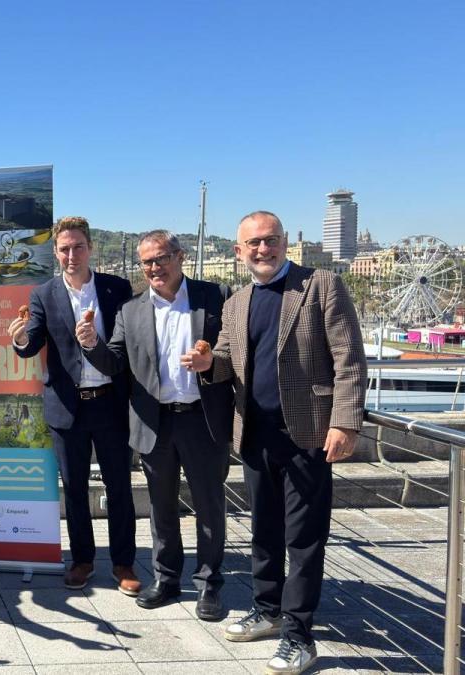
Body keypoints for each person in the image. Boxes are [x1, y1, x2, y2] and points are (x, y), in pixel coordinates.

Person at [187, 211, 366, 674]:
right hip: (255, 434)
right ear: (238, 251)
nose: (262, 249)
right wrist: (207, 364)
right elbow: (226, 360)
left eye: (270, 240)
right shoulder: (236, 302)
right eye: (253, 243)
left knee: (304, 539)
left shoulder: (320, 285)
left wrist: (345, 422)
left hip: (308, 435)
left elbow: (349, 359)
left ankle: (298, 636)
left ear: (285, 242)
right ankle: (267, 610)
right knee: (263, 532)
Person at [79, 230, 233, 620]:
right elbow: (114, 362)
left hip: (202, 419)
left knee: (209, 506)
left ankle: (209, 585)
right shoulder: (130, 310)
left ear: (180, 256)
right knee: (161, 507)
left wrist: (212, 362)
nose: (154, 267)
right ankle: (166, 579)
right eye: (147, 261)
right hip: (154, 422)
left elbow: (234, 348)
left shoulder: (215, 296)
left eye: (161, 258)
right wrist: (91, 344)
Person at [8, 216, 140, 596]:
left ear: (90, 248)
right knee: (75, 489)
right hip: (68, 408)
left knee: (120, 486)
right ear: (55, 252)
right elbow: (32, 344)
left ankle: (123, 563)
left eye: (78, 247)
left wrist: (96, 340)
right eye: (64, 249)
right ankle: (82, 560)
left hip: (110, 405)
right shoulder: (43, 294)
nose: (71, 255)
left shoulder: (117, 289)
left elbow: (127, 346)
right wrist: (20, 340)